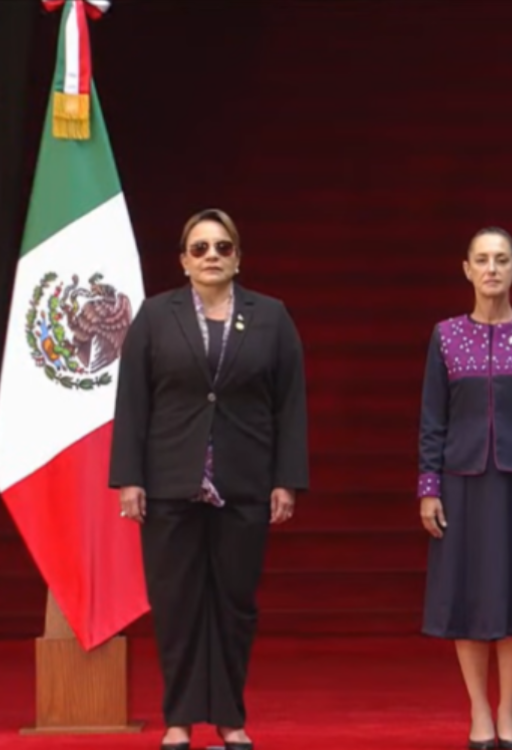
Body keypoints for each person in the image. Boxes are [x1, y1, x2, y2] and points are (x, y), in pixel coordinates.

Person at [109, 208, 309, 750]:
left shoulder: (271, 317)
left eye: (222, 247)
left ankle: (228, 717)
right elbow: (133, 404)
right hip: (170, 482)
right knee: (175, 604)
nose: (212, 257)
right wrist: (130, 478)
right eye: (200, 249)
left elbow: (290, 405)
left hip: (244, 481)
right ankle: (178, 718)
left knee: (234, 604)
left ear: (238, 258)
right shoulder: (154, 317)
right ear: (183, 261)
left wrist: (286, 480)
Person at [417, 227, 512, 750]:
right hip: (461, 485)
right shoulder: (445, 336)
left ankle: (508, 711)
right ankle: (478, 710)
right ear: (466, 269)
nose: (492, 269)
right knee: (467, 598)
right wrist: (427, 488)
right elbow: (432, 418)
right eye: (482, 260)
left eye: (501, 260)